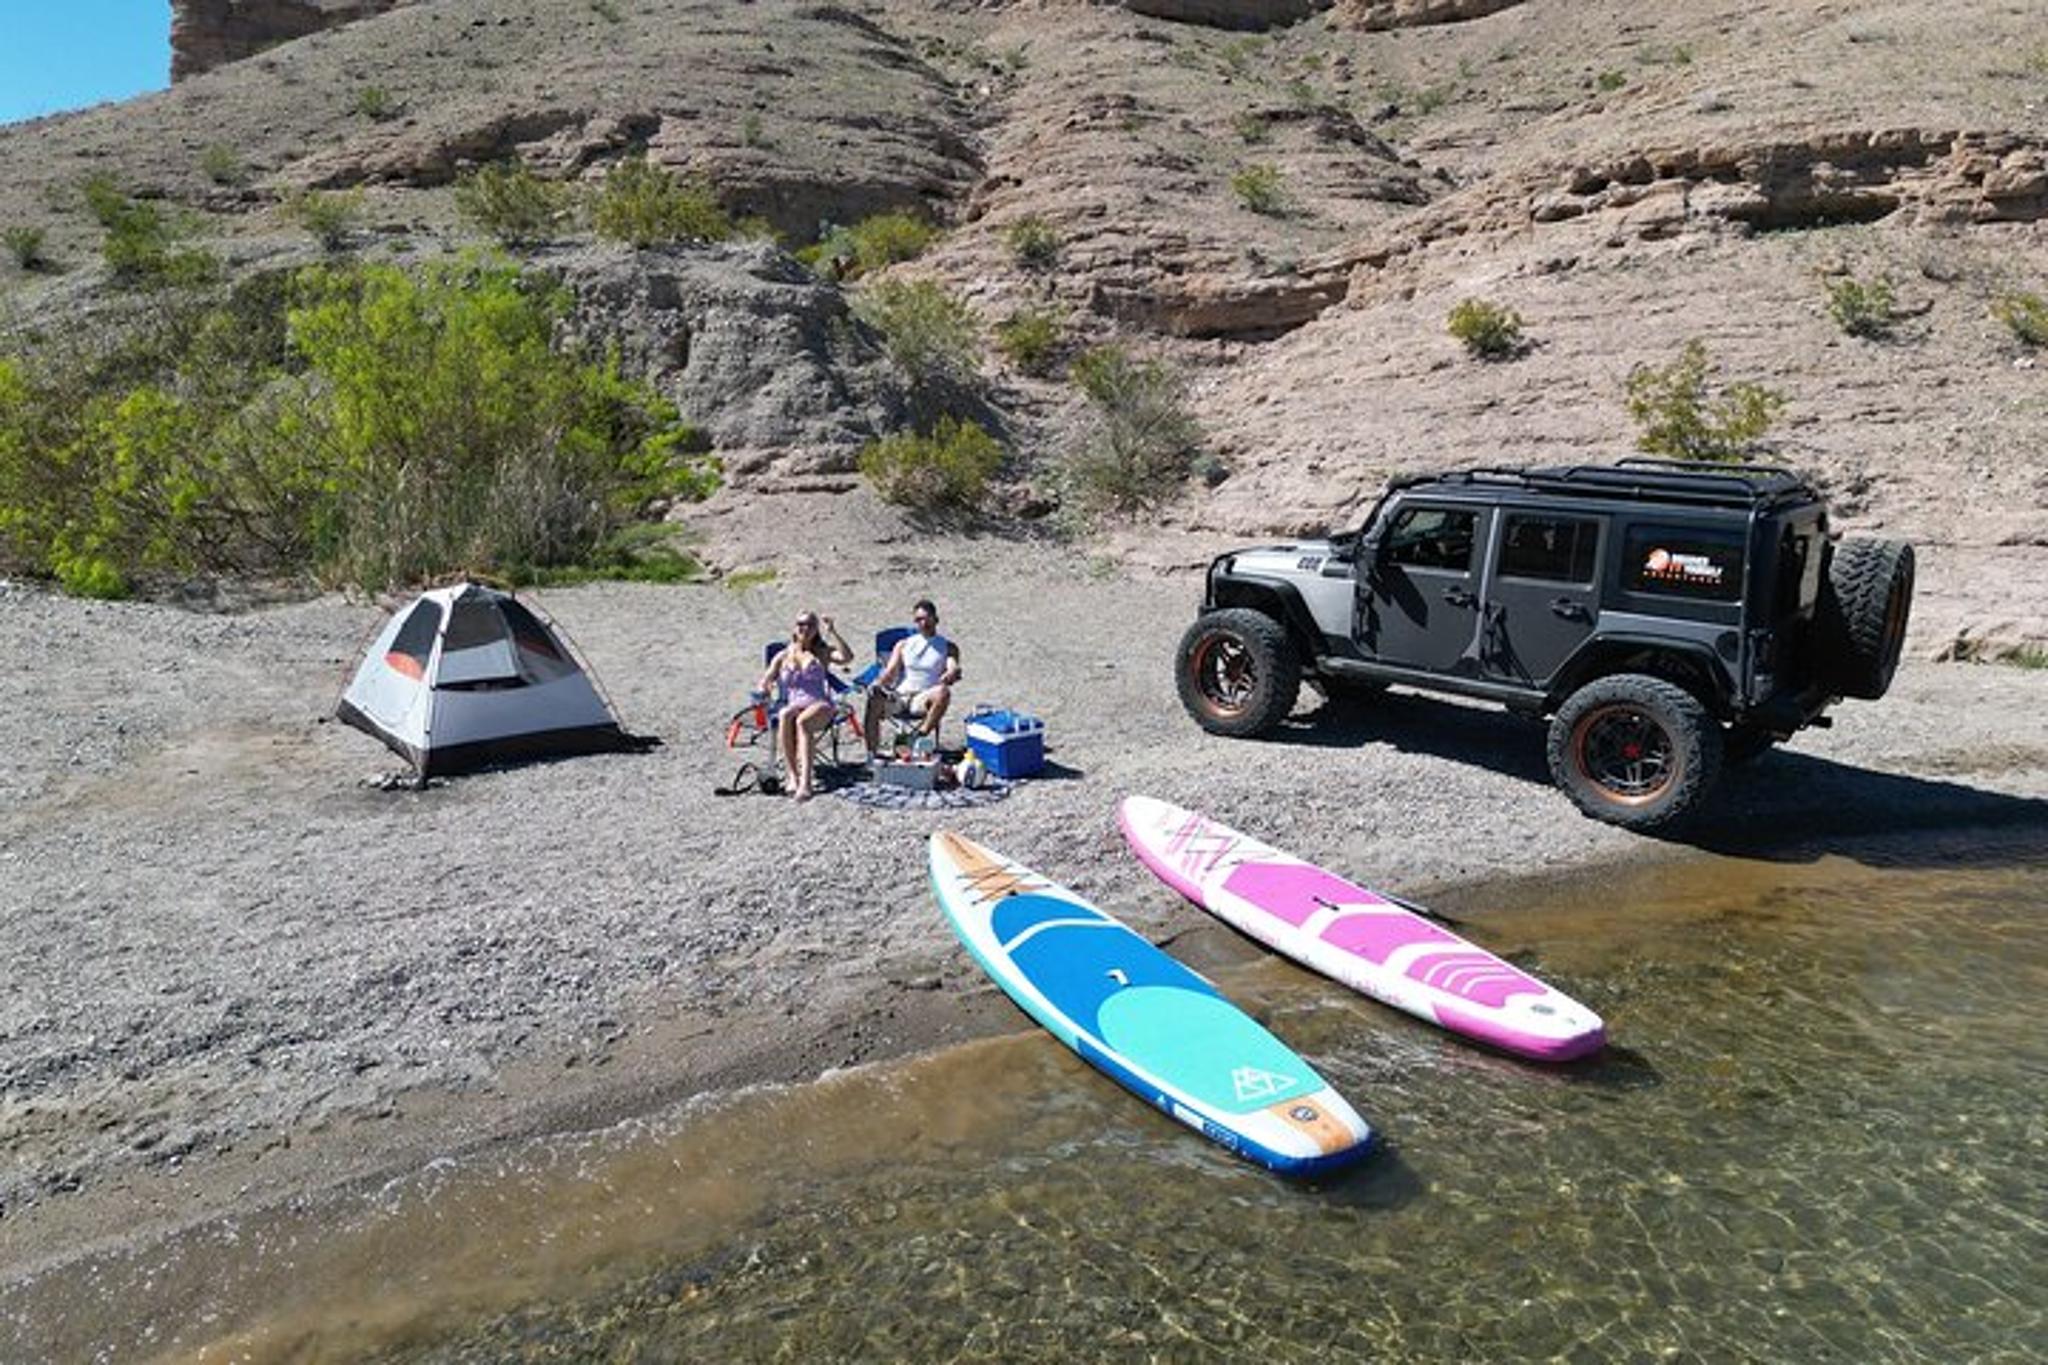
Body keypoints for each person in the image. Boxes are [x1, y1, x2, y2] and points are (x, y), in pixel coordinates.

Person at [758, 611, 853, 801]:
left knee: (803, 721)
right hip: (795, 705)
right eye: (801, 624)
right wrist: (764, 689)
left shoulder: (822, 652)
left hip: (821, 705)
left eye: (810, 625)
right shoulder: (784, 655)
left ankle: (806, 782)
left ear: (816, 629)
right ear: (795, 627)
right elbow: (765, 679)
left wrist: (833, 631)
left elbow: (847, 657)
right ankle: (792, 775)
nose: (805, 628)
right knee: (785, 714)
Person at [864, 598, 961, 758]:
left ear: (936, 619)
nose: (922, 623)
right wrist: (877, 684)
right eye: (918, 620)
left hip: (924, 698)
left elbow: (952, 665)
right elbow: (890, 673)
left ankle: (917, 738)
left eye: (926, 618)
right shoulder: (903, 644)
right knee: (874, 698)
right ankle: (872, 755)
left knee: (943, 692)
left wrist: (951, 672)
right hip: (901, 696)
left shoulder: (947, 646)